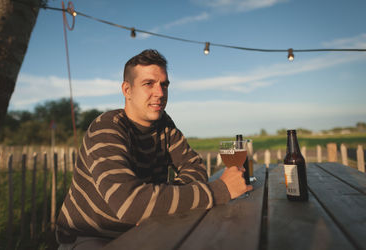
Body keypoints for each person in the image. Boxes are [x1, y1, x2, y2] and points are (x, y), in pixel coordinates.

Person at [56, 49, 252, 249]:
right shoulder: (106, 128)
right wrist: (220, 190)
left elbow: (195, 168)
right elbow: (129, 203)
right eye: (148, 83)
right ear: (127, 90)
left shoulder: (164, 125)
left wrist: (152, 208)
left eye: (164, 84)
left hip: (148, 226)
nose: (160, 93)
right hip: (90, 237)